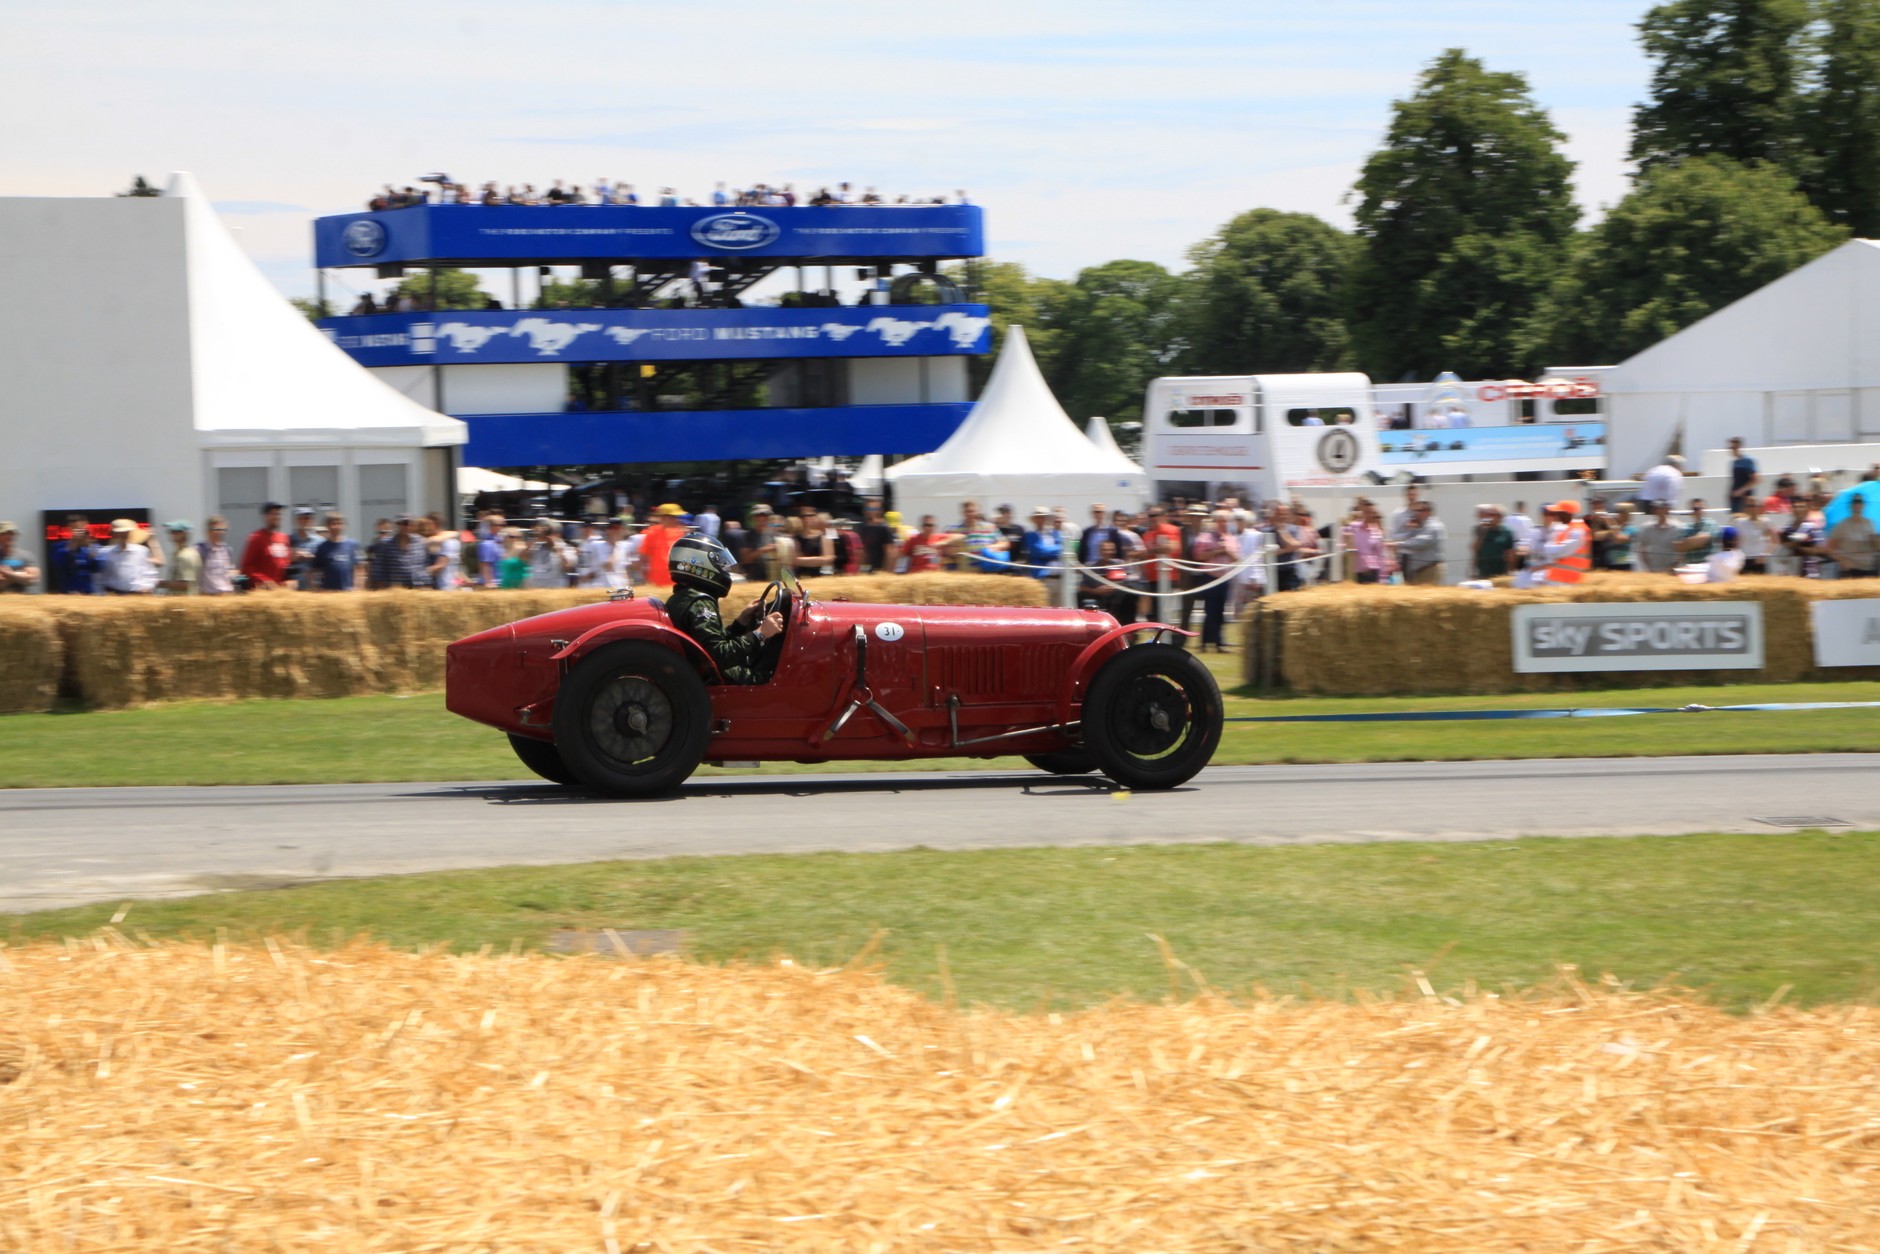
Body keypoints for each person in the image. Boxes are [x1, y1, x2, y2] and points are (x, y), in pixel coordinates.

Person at [665, 533, 783, 685]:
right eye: (719, 564)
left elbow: (710, 644)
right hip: (713, 679)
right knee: (771, 678)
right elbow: (719, 656)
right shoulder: (700, 603)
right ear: (699, 563)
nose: (723, 570)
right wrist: (760, 634)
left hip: (700, 674)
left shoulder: (682, 598)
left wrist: (741, 622)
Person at [1513, 501, 1592, 588]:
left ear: (1566, 513)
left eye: (1555, 513)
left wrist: (1545, 549)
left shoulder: (1576, 530)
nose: (1554, 516)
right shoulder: (1568, 529)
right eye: (1547, 513)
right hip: (1558, 577)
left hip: (1565, 579)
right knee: (1520, 582)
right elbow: (1525, 546)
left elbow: (1558, 552)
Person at [1390, 500, 1446, 586]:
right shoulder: (1421, 526)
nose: (1415, 513)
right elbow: (1409, 536)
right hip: (1420, 570)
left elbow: (1420, 542)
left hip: (1430, 569)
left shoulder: (1434, 526)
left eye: (1419, 511)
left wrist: (1397, 545)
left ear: (1427, 512)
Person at [239, 502, 292, 589]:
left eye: (278, 514)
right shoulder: (256, 538)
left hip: (281, 592)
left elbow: (286, 565)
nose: (276, 517)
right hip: (263, 593)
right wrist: (265, 581)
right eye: (273, 514)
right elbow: (246, 567)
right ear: (264, 516)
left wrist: (290, 579)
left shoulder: (284, 538)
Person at [1826, 494, 1878, 578]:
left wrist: (1875, 539)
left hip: (1868, 569)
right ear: (1850, 506)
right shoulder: (1841, 525)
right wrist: (1841, 559)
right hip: (1850, 570)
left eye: (1860, 502)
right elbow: (1830, 548)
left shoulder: (1870, 523)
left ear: (1863, 505)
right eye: (1854, 502)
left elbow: (1876, 546)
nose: (1857, 505)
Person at [100, 519, 157, 595]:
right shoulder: (105, 552)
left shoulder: (142, 551)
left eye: (126, 532)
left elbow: (150, 572)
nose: (124, 535)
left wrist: (148, 586)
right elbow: (101, 575)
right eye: (120, 533)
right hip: (114, 594)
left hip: (138, 593)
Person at [49, 515, 101, 595]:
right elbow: (58, 564)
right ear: (69, 529)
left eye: (81, 528)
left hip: (90, 591)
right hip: (68, 590)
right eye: (75, 529)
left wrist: (92, 555)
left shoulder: (94, 546)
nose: (79, 532)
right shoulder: (58, 547)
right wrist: (72, 545)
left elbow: (100, 568)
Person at [1346, 499, 1394, 584]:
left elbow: (1380, 555)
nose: (1370, 515)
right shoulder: (1353, 527)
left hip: (1373, 573)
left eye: (1372, 512)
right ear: (1363, 513)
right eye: (1367, 512)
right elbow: (1343, 544)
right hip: (1355, 573)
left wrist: (1383, 578)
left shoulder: (1377, 531)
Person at [310, 513, 362, 591]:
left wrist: (357, 586)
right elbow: (315, 570)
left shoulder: (352, 544)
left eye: (340, 523)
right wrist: (316, 587)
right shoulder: (322, 547)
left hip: (348, 591)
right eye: (334, 524)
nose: (337, 527)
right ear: (327, 526)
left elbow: (358, 568)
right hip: (329, 592)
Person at [640, 503, 685, 588]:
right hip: (656, 582)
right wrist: (645, 579)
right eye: (673, 517)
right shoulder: (651, 533)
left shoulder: (680, 534)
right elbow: (643, 558)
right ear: (663, 518)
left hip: (675, 581)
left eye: (676, 517)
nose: (676, 520)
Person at [1470, 505, 1517, 580]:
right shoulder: (1480, 529)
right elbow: (1475, 549)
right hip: (1484, 570)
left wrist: (1511, 571)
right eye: (1488, 514)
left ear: (1500, 517)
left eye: (1493, 515)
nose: (1490, 517)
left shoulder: (1507, 532)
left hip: (1500, 572)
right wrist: (1483, 532)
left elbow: (1510, 553)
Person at [161, 521, 201, 595]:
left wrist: (162, 584)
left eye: (175, 532)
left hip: (183, 602)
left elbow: (185, 584)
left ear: (184, 534)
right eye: (171, 531)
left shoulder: (185, 556)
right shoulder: (182, 553)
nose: (171, 534)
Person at [197, 516, 236, 595]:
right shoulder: (201, 549)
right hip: (209, 595)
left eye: (223, 530)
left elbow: (230, 571)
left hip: (226, 593)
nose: (221, 533)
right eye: (217, 530)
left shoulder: (227, 549)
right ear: (208, 531)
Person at [0, 521, 40, 593]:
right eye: (5, 533)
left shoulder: (26, 555)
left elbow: (34, 579)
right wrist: (21, 575)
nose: (9, 536)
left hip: (21, 601)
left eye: (12, 534)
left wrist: (9, 574)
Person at [1727, 438, 1758, 512]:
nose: (1732, 450)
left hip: (1745, 500)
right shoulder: (1735, 462)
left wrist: (1740, 491)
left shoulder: (1747, 461)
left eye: (1734, 448)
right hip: (1735, 500)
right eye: (1730, 448)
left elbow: (1756, 479)